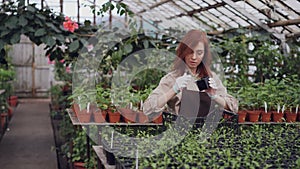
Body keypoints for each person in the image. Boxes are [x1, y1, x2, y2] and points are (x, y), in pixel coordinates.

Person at [143, 29, 238, 117]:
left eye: (199, 53)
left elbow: (233, 108)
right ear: (183, 52)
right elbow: (148, 108)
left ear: (204, 54)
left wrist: (214, 96)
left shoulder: (211, 78)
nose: (194, 57)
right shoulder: (172, 78)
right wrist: (174, 90)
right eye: (190, 51)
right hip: (178, 132)